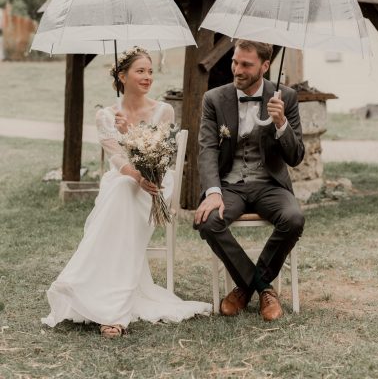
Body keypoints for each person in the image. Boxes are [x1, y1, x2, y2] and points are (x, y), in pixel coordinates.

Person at [42, 46, 211, 337]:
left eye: (150, 72)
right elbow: (118, 160)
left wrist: (142, 167)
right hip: (124, 180)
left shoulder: (164, 110)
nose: (147, 77)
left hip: (156, 182)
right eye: (140, 71)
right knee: (122, 187)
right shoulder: (106, 116)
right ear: (122, 76)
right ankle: (109, 304)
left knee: (123, 192)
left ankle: (97, 295)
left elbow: (162, 155)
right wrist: (126, 144)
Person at [194, 40, 305, 321]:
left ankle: (244, 288)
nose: (237, 69)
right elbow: (207, 149)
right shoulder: (215, 99)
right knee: (208, 220)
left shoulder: (287, 98)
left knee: (293, 218)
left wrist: (282, 125)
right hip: (230, 186)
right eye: (235, 62)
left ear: (265, 66)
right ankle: (259, 286)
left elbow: (296, 156)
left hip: (269, 184)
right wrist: (214, 192)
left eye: (246, 64)